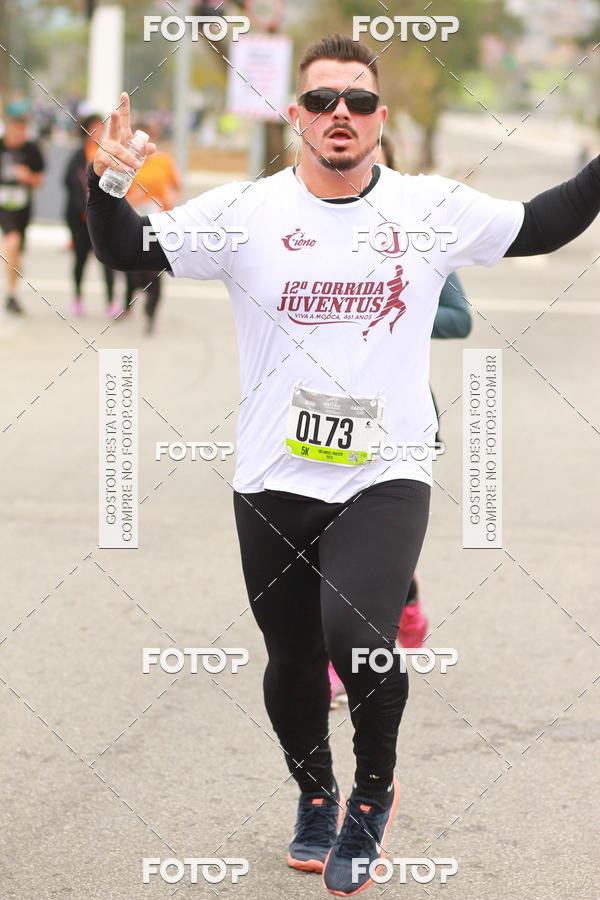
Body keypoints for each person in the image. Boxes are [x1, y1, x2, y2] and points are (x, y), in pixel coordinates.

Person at [86, 34, 600, 896]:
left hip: (384, 470)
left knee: (357, 639)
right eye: (323, 101)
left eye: (358, 102)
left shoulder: (427, 207)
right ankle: (316, 795)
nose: (340, 116)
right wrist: (107, 181)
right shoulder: (246, 212)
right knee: (290, 659)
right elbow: (125, 247)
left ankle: (370, 796)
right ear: (297, 115)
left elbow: (545, 224)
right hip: (272, 475)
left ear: (379, 118)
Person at [327, 136, 473, 708]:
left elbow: (459, 318)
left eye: (374, 161)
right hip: (323, 413)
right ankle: (333, 658)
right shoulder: (307, 232)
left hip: (400, 419)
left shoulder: (419, 236)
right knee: (324, 539)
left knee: (377, 548)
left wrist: (391, 307)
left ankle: (402, 604)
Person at [120, 119, 181, 333]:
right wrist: (132, 200)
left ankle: (150, 315)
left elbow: (175, 187)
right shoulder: (126, 163)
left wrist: (170, 200)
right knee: (132, 269)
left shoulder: (164, 161)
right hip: (132, 222)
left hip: (157, 224)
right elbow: (115, 196)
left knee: (154, 270)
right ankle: (128, 304)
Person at [63, 114, 117, 317]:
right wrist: (83, 208)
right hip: (80, 218)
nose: (98, 131)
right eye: (94, 127)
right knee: (80, 259)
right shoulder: (78, 156)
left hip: (103, 218)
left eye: (101, 127)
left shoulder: (108, 153)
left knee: (107, 259)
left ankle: (111, 302)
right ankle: (77, 299)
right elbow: (69, 183)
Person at [0, 100, 45, 315]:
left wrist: (27, 177)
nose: (20, 133)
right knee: (13, 241)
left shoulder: (31, 149)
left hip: (22, 206)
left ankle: (13, 287)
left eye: (23, 129)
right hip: (2, 206)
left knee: (16, 249)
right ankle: (11, 292)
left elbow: (39, 180)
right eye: (16, 128)